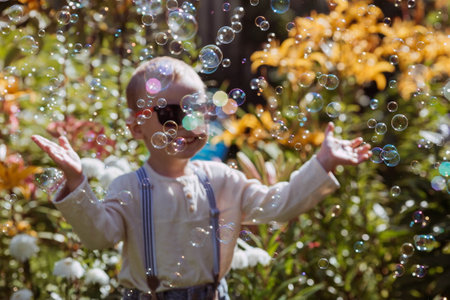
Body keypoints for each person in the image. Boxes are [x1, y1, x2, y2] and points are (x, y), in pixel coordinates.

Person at [31, 56, 372, 300]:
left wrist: (323, 161)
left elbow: (278, 205)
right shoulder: (129, 187)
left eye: (197, 109)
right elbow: (97, 237)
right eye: (170, 112)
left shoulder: (223, 180)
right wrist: (77, 180)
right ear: (136, 127)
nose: (187, 123)